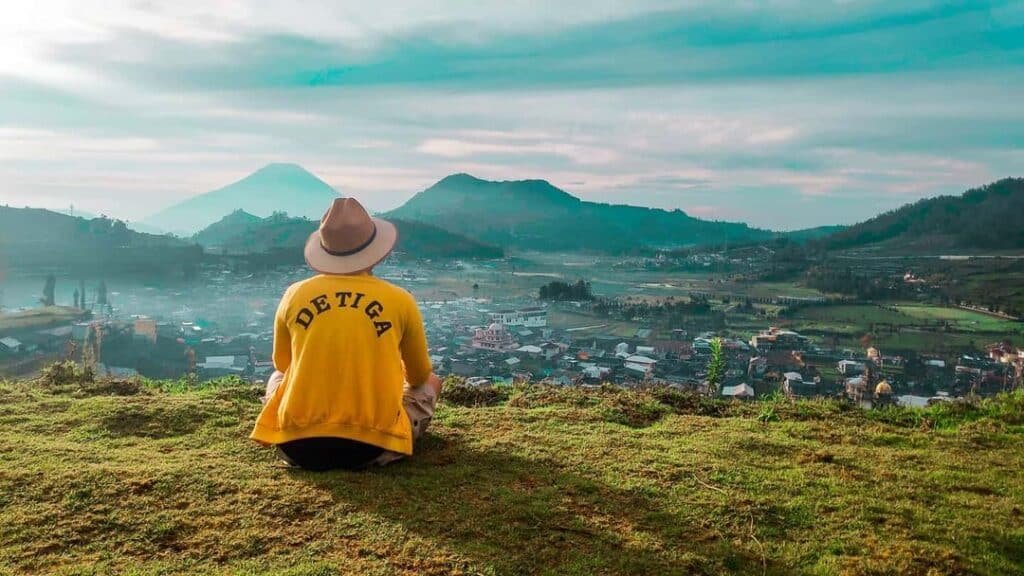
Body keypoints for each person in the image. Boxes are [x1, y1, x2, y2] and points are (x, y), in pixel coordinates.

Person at [250, 197, 442, 471]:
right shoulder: (400, 299)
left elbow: (282, 365)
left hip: (296, 447)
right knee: (432, 382)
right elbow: (419, 376)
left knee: (277, 377)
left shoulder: (294, 294)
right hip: (370, 449)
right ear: (375, 250)